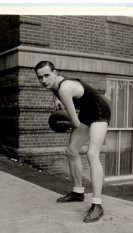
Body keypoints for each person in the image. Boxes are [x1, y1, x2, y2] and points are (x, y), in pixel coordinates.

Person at [34, 61, 111, 223]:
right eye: (40, 77)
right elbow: (54, 89)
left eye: (47, 75)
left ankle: (97, 205)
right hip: (87, 113)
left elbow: (75, 123)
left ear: (55, 73)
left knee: (92, 154)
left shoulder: (65, 88)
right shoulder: (54, 85)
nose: (44, 81)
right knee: (71, 151)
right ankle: (78, 192)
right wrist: (56, 101)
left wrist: (61, 122)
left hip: (100, 112)